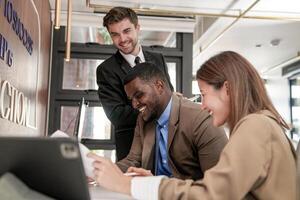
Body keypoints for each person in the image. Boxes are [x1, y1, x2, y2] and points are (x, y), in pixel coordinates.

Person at [88, 51, 296, 200]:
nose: (202, 105)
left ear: (227, 89)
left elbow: (210, 194)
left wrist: (131, 184)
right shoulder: (262, 123)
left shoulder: (255, 126)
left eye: (204, 95)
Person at [113, 62, 227, 180]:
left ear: (159, 86)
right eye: (131, 99)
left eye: (139, 95)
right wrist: (99, 170)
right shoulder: (143, 120)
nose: (134, 105)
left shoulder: (202, 120)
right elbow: (133, 160)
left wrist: (159, 184)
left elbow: (218, 185)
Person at [96, 6, 174, 160]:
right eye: (115, 35)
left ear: (138, 28)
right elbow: (117, 115)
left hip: (167, 144)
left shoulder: (159, 58)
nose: (122, 39)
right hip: (132, 150)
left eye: (126, 31)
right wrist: (157, 109)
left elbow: (168, 95)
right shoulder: (106, 70)